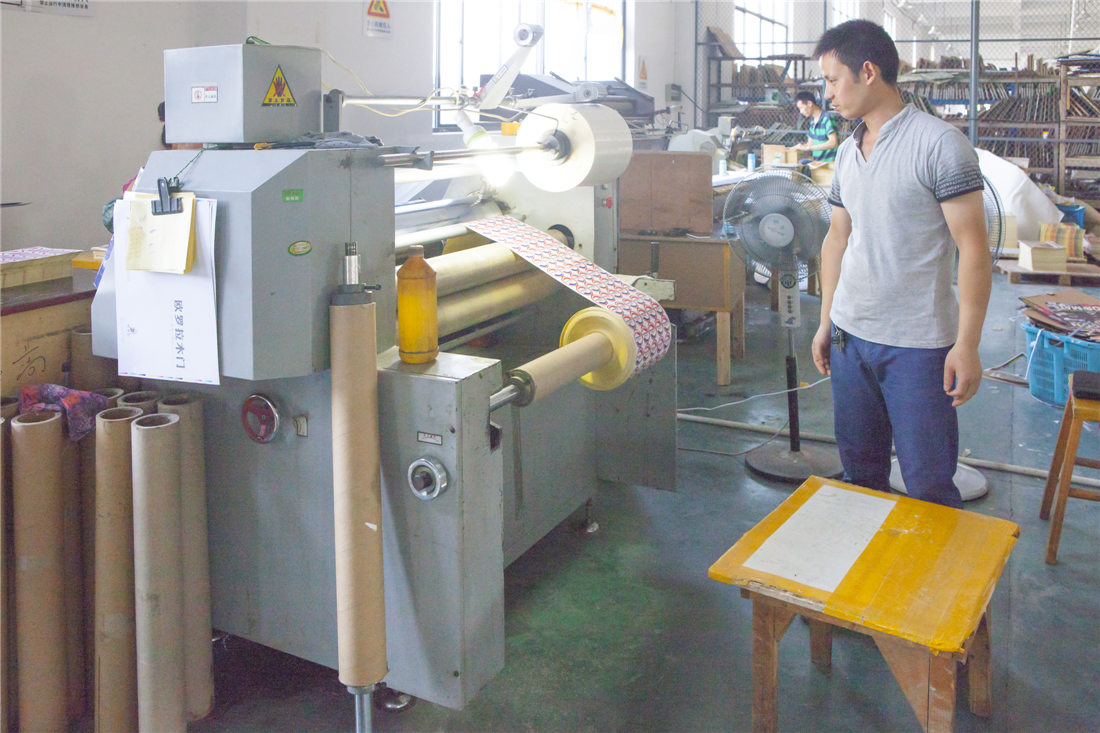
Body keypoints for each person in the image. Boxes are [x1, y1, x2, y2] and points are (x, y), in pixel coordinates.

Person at [808, 19, 991, 509]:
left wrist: (967, 345)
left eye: (832, 79)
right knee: (861, 475)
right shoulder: (847, 153)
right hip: (850, 338)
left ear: (868, 72)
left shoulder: (939, 145)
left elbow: (974, 249)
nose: (828, 94)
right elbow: (837, 239)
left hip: (917, 345)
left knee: (928, 485)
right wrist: (826, 321)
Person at [791, 90, 838, 163]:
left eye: (801, 108)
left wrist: (808, 147)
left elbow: (833, 143)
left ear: (809, 103)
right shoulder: (813, 121)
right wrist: (800, 147)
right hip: (817, 163)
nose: (801, 111)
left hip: (829, 164)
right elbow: (810, 144)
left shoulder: (827, 118)